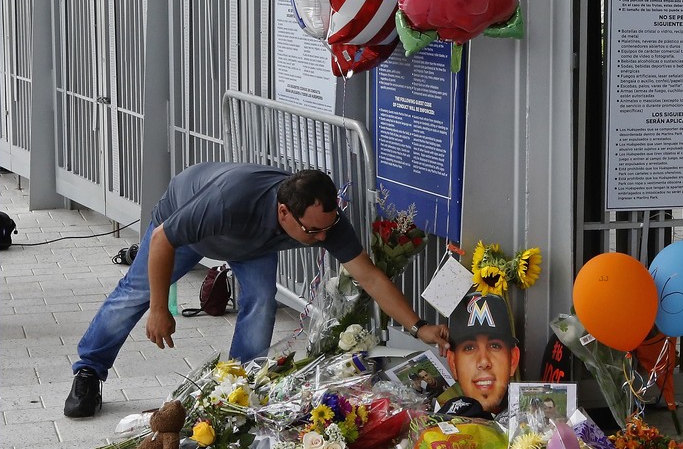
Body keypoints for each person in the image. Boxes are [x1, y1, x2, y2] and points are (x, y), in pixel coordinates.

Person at [65, 163, 449, 418]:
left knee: (262, 303)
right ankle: (88, 372)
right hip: (186, 227)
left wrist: (419, 327)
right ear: (284, 212)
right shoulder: (228, 202)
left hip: (253, 246)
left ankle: (234, 388)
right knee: (135, 294)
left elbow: (371, 277)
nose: (320, 239)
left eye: (326, 230)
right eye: (311, 231)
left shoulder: (325, 221)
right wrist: (159, 308)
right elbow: (165, 238)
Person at [437, 292, 520, 418]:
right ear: (453, 363)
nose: (483, 362)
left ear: (513, 360)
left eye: (495, 346)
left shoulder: (533, 423)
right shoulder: (439, 416)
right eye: (469, 348)